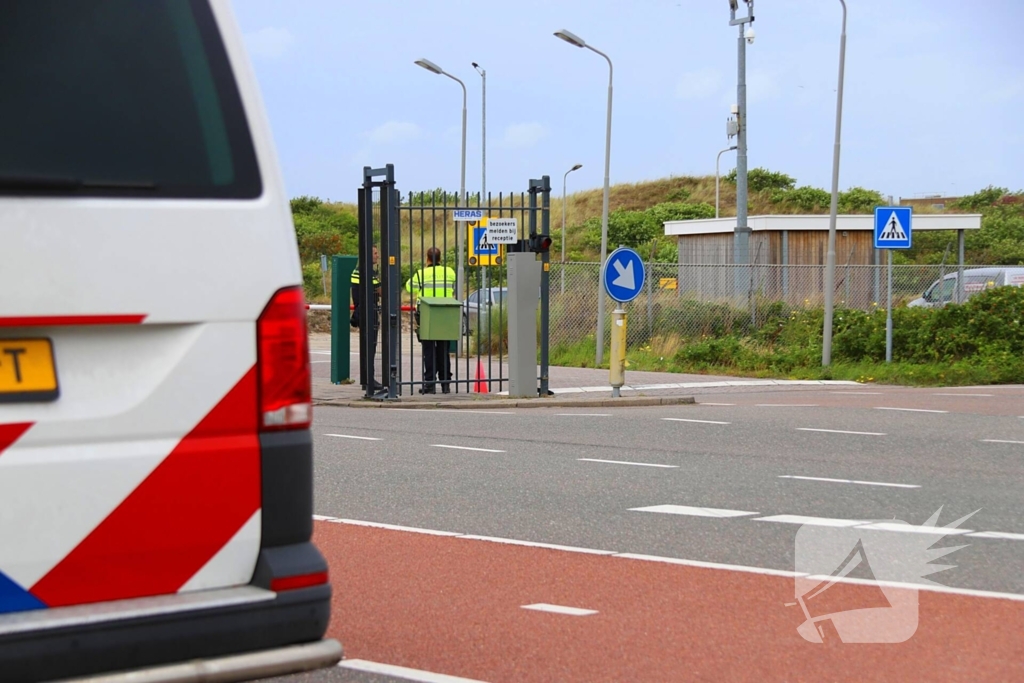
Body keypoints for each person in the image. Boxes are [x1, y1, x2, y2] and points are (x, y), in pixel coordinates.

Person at [405, 247, 457, 394]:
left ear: (427, 258)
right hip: (445, 313)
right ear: (440, 258)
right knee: (443, 349)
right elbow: (453, 287)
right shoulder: (450, 272)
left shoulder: (421, 274)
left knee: (428, 350)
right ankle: (445, 383)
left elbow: (409, 287)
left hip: (426, 314)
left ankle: (429, 383)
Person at [350, 245, 384, 394]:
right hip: (368, 311)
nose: (377, 256)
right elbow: (381, 291)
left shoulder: (358, 271)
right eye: (375, 253)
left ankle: (366, 379)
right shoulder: (367, 272)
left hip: (363, 311)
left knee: (367, 347)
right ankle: (369, 379)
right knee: (370, 347)